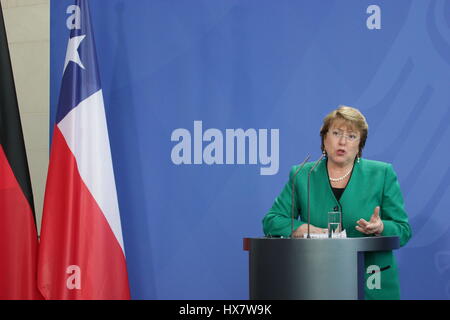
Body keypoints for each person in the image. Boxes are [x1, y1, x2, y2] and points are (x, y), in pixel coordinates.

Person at [262, 105, 412, 300]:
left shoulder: (382, 174)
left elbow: (404, 230)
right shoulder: (302, 175)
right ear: (325, 140)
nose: (342, 142)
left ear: (360, 145)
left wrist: (381, 226)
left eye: (351, 136)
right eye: (336, 133)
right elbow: (272, 221)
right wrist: (303, 228)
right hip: (316, 282)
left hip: (371, 283)